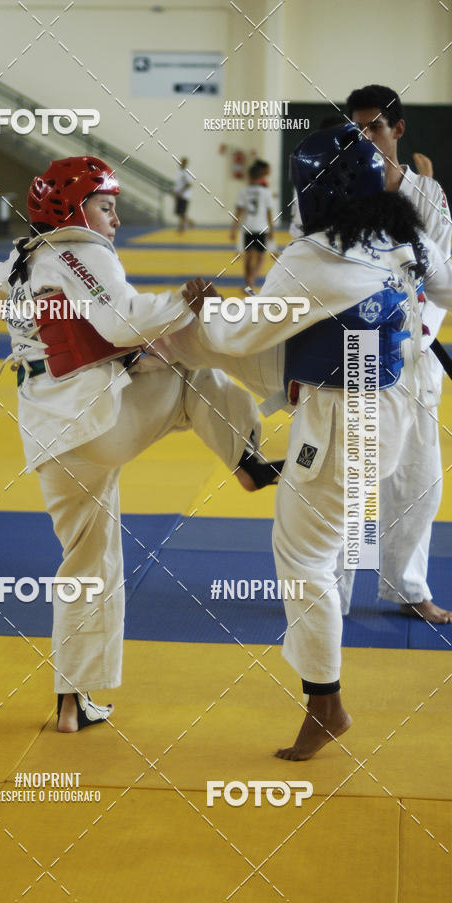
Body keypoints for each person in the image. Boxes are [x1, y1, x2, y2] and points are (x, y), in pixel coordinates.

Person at [0, 156, 281, 733]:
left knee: (86, 563)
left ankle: (72, 700)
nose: (115, 221)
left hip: (46, 433)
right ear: (73, 211)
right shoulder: (81, 251)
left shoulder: (19, 259)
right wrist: (183, 302)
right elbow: (120, 321)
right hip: (94, 424)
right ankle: (246, 457)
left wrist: (57, 323)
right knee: (191, 368)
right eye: (107, 208)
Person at [185, 124, 452, 759]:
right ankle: (327, 693)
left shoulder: (316, 255)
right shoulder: (402, 236)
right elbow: (442, 287)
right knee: (319, 548)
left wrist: (210, 306)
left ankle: (326, 703)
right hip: (388, 409)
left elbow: (239, 337)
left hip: (340, 422)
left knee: (304, 557)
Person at [340, 84, 452, 623]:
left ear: (397, 129)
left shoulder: (428, 196)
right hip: (361, 352)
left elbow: (443, 275)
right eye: (357, 129)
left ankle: (407, 587)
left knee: (420, 480)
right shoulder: (338, 190)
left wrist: (421, 336)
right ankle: (326, 591)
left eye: (375, 127)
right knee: (352, 480)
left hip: (418, 357)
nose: (365, 138)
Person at [230, 161, 274, 291]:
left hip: (248, 227)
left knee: (248, 257)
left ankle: (248, 282)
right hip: (262, 227)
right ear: (261, 177)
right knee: (260, 257)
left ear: (249, 176)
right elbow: (269, 212)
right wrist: (271, 230)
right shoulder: (266, 192)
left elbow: (238, 212)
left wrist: (233, 228)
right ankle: (252, 280)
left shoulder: (243, 191)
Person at [173, 157, 195, 232]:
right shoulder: (179, 172)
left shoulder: (186, 173)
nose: (181, 164)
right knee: (179, 213)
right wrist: (175, 193)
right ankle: (186, 224)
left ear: (186, 164)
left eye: (183, 163)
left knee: (182, 212)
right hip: (179, 194)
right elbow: (177, 184)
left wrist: (180, 193)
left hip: (185, 195)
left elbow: (188, 184)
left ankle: (185, 225)